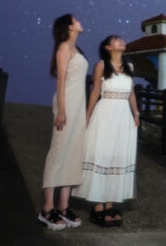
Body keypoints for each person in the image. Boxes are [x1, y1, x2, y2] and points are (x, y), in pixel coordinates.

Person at [74, 35, 140, 227]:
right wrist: (87, 117)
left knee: (117, 157)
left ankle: (109, 204)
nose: (122, 41)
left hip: (123, 116)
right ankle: (97, 207)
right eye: (117, 40)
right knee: (102, 155)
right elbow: (95, 92)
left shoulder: (130, 67)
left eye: (122, 40)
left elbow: (132, 93)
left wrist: (136, 113)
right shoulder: (101, 65)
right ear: (108, 47)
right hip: (105, 114)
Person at [38, 13, 88, 230]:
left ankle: (63, 206)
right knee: (58, 153)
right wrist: (61, 111)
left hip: (78, 107)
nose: (80, 21)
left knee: (72, 153)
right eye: (76, 20)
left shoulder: (77, 49)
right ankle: (47, 209)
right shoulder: (64, 48)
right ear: (69, 27)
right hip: (66, 105)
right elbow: (61, 80)